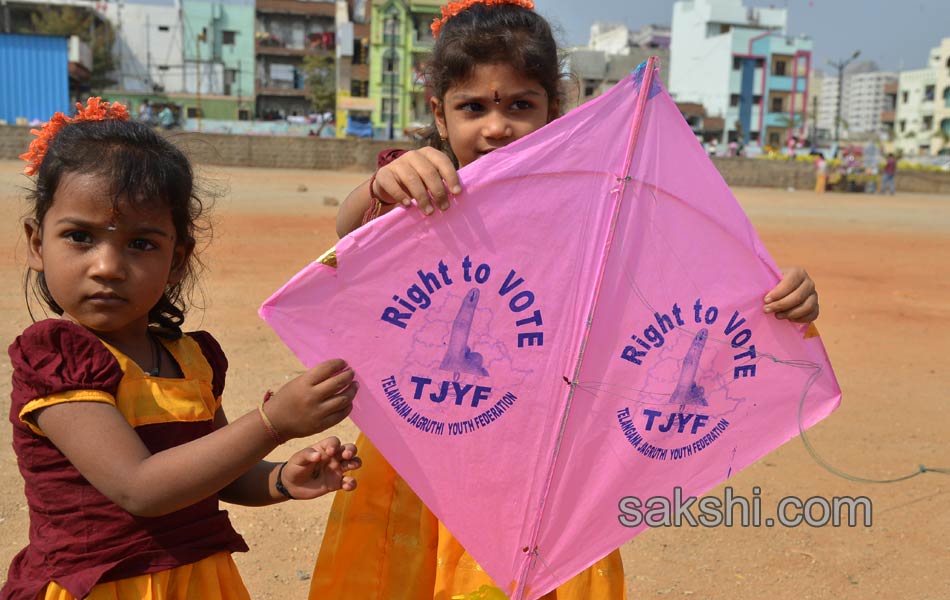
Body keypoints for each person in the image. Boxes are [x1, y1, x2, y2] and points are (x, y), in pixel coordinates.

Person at [319, 1, 821, 598]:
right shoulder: (422, 186)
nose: (495, 126)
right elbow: (350, 234)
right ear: (440, 112)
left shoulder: (597, 205)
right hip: (426, 438)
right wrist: (377, 188)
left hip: (539, 457)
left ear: (554, 108)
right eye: (472, 107)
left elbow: (683, 288)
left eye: (519, 105)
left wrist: (780, 297)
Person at [4, 98, 362, 600]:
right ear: (38, 244)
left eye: (141, 244)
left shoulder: (188, 357)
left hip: (197, 580)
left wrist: (282, 478)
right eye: (80, 236)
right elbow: (140, 487)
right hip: (104, 586)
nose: (107, 265)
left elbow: (214, 475)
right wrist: (272, 423)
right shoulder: (59, 359)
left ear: (177, 260)